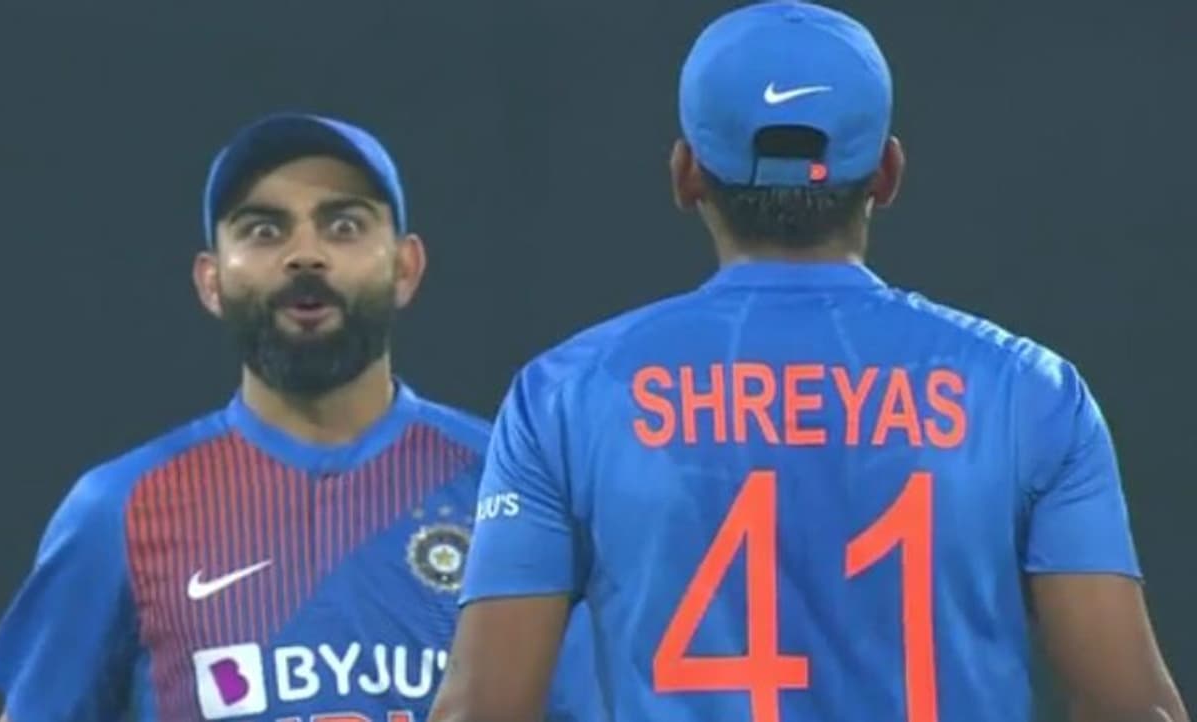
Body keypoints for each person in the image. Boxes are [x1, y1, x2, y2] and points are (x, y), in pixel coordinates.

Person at [428, 3, 1189, 722]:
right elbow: (1134, 711)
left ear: (686, 173)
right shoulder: (1030, 392)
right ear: (887, 172)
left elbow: (483, 711)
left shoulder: (565, 395)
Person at [0, 112, 600, 722]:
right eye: (264, 230)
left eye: (344, 226)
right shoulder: (121, 508)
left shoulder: (509, 488)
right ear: (210, 281)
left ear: (405, 267)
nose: (305, 254)